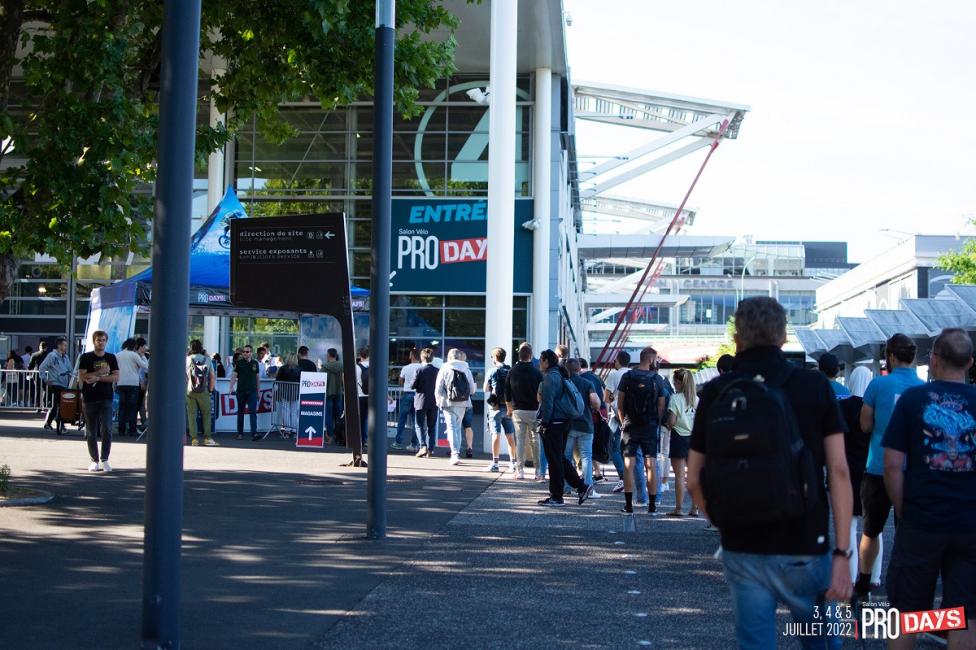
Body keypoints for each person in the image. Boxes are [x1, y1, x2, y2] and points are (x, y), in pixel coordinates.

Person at [687, 297, 852, 649]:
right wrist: (842, 553)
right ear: (783, 336)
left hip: (743, 543)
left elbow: (693, 477)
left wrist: (722, 519)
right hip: (806, 541)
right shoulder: (814, 386)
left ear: (737, 337)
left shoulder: (717, 392)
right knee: (822, 641)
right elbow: (838, 471)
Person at [882, 328, 976, 650]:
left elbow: (892, 465)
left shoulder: (913, 400)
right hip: (970, 524)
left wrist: (904, 509)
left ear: (933, 360)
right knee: (965, 613)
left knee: (907, 610)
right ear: (970, 362)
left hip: (921, 519)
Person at [854, 333, 924, 601]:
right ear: (913, 357)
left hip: (878, 467)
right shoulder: (921, 387)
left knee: (871, 530)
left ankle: (863, 585)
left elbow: (865, 425)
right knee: (907, 530)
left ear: (891, 357)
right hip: (912, 470)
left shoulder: (877, 386)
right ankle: (902, 586)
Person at [835, 365, 878, 585]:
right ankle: (874, 576)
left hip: (848, 469)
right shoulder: (875, 407)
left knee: (849, 526)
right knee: (874, 528)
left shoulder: (843, 406)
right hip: (871, 469)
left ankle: (851, 575)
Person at [616, 346, 668, 514]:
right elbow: (661, 406)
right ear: (651, 359)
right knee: (651, 465)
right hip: (650, 427)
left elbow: (620, 403)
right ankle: (652, 506)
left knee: (629, 465)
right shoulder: (657, 379)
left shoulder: (628, 376)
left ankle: (629, 505)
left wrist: (624, 420)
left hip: (630, 426)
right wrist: (655, 422)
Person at [536, 349, 589, 506]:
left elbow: (548, 403)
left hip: (554, 423)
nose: (539, 363)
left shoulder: (550, 378)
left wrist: (544, 423)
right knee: (560, 458)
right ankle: (581, 487)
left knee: (555, 460)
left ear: (547, 362)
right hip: (564, 422)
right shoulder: (559, 374)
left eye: (541, 360)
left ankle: (557, 496)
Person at [78, 330, 120, 472]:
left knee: (107, 429)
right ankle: (94, 460)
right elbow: (83, 377)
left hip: (106, 398)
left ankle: (105, 459)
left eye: (103, 340)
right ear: (93, 341)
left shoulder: (111, 357)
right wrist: (99, 372)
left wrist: (97, 378)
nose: (101, 342)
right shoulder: (86, 357)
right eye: (98, 340)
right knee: (91, 431)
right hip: (89, 399)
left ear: (106, 341)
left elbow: (115, 377)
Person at [506, 342, 545, 480]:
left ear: (519, 355)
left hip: (518, 411)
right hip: (534, 410)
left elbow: (507, 393)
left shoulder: (512, 371)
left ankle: (520, 470)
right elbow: (542, 392)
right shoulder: (537, 372)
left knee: (520, 440)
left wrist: (509, 409)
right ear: (531, 356)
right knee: (536, 441)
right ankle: (538, 471)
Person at [565, 358, 601, 499]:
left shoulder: (564, 383)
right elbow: (596, 402)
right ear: (579, 369)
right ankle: (588, 489)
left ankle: (566, 487)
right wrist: (593, 408)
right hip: (585, 424)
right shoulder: (587, 383)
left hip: (568, 425)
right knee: (586, 457)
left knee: (566, 457)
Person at [665, 368, 698, 517]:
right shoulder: (696, 399)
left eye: (674, 381)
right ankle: (694, 508)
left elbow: (671, 421)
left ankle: (678, 509)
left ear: (679, 382)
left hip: (679, 437)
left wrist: (668, 425)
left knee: (679, 476)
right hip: (695, 439)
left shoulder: (675, 398)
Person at [435, 348, 475, 465]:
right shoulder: (466, 369)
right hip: (463, 403)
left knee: (451, 427)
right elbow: (472, 389)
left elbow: (438, 387)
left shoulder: (444, 368)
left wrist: (438, 401)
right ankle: (456, 452)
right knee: (457, 427)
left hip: (447, 402)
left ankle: (455, 454)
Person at [484, 347, 516, 473]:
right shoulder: (511, 370)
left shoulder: (492, 371)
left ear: (494, 358)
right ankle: (513, 463)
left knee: (495, 435)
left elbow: (486, 388)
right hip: (509, 407)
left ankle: (495, 463)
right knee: (510, 435)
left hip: (495, 407)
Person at [604, 351, 631, 495]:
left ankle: (623, 477)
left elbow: (606, 398)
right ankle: (631, 477)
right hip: (633, 417)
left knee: (613, 448)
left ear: (618, 361)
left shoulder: (614, 375)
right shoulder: (633, 374)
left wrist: (613, 397)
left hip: (617, 417)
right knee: (628, 450)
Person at [185, 339, 217, 446]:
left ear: (191, 348)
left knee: (191, 414)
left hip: (190, 390)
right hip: (203, 390)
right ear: (201, 348)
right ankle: (207, 438)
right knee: (206, 414)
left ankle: (194, 439)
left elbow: (183, 377)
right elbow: (212, 377)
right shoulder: (207, 360)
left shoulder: (187, 359)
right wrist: (211, 390)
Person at [116, 338, 148, 437]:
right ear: (133, 346)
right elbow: (145, 366)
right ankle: (132, 429)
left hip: (120, 383)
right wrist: (142, 356)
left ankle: (121, 430)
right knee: (132, 408)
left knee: (122, 408)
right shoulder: (134, 355)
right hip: (133, 384)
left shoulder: (118, 355)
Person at [39, 337, 72, 434]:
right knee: (60, 404)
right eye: (64, 345)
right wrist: (45, 379)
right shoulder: (52, 355)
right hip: (55, 383)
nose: (66, 347)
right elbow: (42, 367)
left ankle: (51, 423)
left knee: (59, 404)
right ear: (59, 345)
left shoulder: (65, 357)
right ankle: (58, 425)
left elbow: (70, 369)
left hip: (64, 384)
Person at [230, 344, 261, 441]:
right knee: (240, 413)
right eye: (243, 352)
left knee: (253, 413)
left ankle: (254, 433)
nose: (245, 353)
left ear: (251, 353)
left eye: (247, 352)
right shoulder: (239, 363)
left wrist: (258, 391)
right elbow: (234, 375)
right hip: (241, 391)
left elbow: (257, 378)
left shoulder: (255, 363)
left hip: (252, 391)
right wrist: (231, 387)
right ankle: (240, 433)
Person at [413, 347, 439, 458]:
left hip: (421, 401)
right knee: (431, 426)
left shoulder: (419, 370)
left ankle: (422, 446)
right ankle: (431, 449)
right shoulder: (437, 370)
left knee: (419, 425)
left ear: (421, 358)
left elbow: (413, 385)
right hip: (434, 401)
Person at [393, 349, 421, 450]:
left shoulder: (406, 368)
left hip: (407, 394)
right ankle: (414, 444)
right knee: (416, 421)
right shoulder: (422, 367)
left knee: (402, 419)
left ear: (412, 356)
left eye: (409, 354)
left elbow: (400, 382)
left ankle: (398, 442)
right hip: (418, 395)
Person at [322, 348, 343, 444]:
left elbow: (321, 380)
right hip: (339, 393)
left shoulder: (325, 367)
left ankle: (330, 435)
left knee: (328, 415)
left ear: (328, 355)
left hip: (328, 393)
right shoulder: (342, 366)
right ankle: (339, 435)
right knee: (338, 416)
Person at [355, 347, 370, 446]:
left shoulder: (356, 367)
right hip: (373, 397)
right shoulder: (374, 366)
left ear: (360, 356)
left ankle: (363, 440)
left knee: (362, 419)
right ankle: (371, 439)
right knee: (371, 419)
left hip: (360, 395)